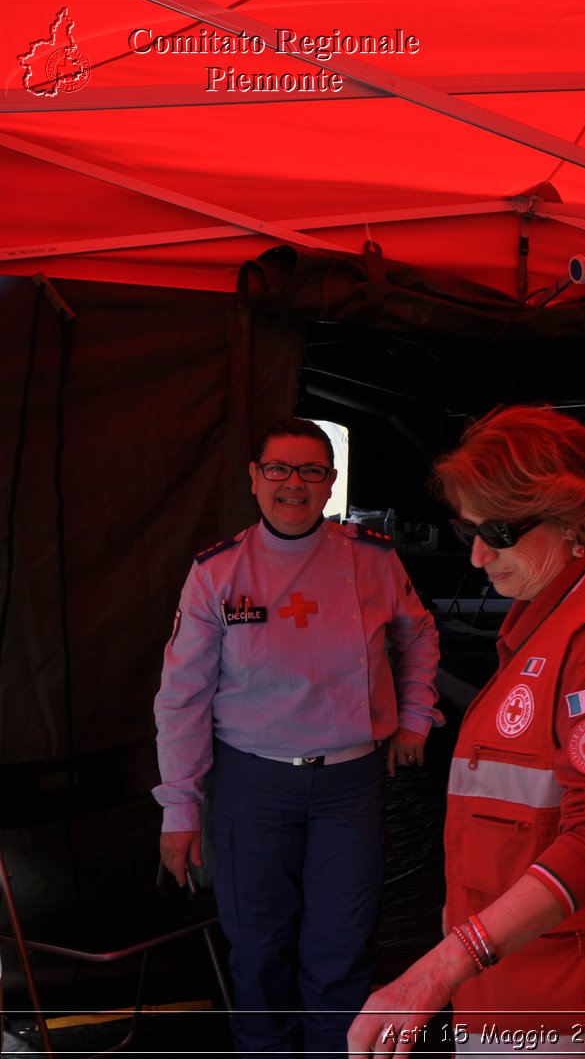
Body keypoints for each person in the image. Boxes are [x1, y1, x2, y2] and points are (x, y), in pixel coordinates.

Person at [347, 406, 585, 1057]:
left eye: (498, 531)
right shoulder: (550, 614)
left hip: (578, 996)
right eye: (468, 528)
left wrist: (441, 966)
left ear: (577, 522)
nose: (476, 555)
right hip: (528, 978)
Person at [152, 416, 441, 1056]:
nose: (294, 484)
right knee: (257, 944)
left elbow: (418, 637)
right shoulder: (216, 574)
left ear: (331, 482)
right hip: (249, 785)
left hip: (349, 783)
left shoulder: (371, 560)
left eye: (311, 471)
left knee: (342, 941)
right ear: (254, 478)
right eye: (279, 469)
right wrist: (179, 806)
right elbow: (182, 697)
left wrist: (416, 716)